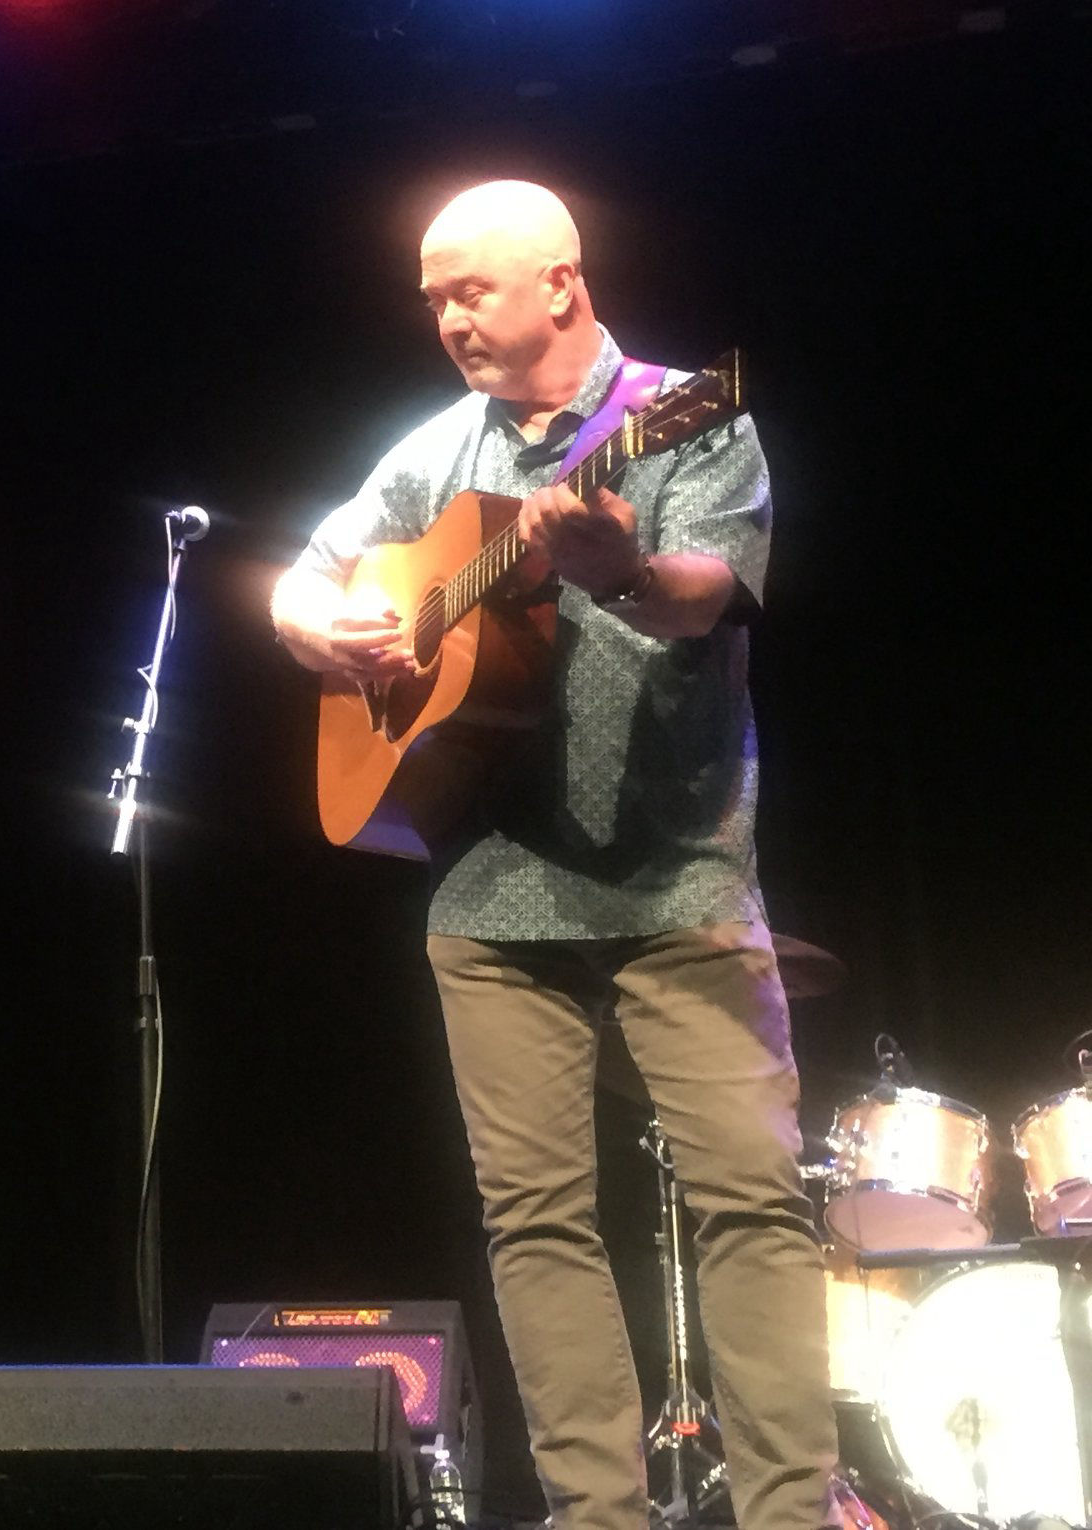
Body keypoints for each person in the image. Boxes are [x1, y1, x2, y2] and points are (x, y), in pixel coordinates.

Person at [271, 182, 836, 1530]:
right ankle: (597, 1513)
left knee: (750, 1204)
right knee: (535, 1219)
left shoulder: (686, 412)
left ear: (563, 286)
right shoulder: (434, 450)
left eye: (471, 288)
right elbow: (307, 571)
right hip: (486, 885)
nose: (449, 315)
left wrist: (621, 566)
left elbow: (705, 591)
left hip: (678, 870)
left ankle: (788, 1514)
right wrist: (326, 633)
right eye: (433, 296)